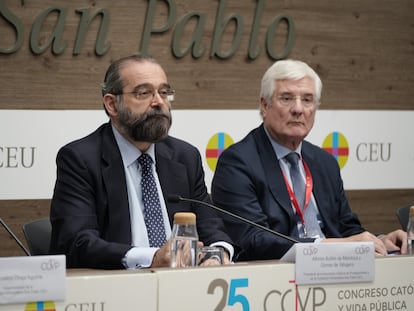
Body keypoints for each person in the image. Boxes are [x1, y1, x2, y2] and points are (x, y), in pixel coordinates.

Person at [50, 55, 235, 269]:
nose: (158, 102)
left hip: (182, 287)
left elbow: (211, 226)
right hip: (115, 290)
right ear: (112, 104)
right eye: (144, 93)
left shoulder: (185, 157)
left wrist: (218, 254)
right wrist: (152, 258)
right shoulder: (80, 159)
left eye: (164, 92)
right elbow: (78, 243)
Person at [211, 59, 407, 261]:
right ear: (264, 105)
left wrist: (379, 241)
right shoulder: (238, 162)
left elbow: (347, 228)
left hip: (338, 274)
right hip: (278, 280)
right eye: (286, 99)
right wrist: (321, 247)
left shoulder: (324, 162)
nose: (298, 109)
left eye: (307, 100)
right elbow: (254, 240)